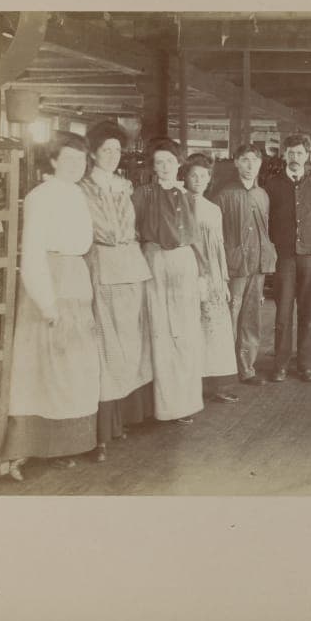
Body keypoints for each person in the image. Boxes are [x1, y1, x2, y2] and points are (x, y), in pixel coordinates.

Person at [3, 131, 101, 481]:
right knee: (41, 369)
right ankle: (24, 450)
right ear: (54, 160)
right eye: (68, 158)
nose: (76, 165)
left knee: (72, 368)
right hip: (49, 283)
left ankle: (62, 447)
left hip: (76, 280)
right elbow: (32, 252)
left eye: (81, 159)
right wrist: (46, 303)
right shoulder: (39, 197)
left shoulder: (77, 194)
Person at [78, 121, 154, 463]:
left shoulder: (125, 186)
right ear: (93, 153)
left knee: (130, 343)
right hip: (102, 267)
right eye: (106, 149)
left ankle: (125, 419)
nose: (112, 155)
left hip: (131, 269)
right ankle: (101, 432)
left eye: (117, 150)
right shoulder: (82, 188)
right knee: (106, 345)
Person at [132, 138, 208, 423]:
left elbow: (195, 238)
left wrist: (203, 274)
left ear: (179, 164)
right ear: (153, 166)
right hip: (155, 263)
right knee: (160, 333)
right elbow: (133, 231)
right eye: (159, 162)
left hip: (184, 264)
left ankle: (185, 404)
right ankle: (162, 407)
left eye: (170, 161)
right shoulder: (143, 194)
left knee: (185, 334)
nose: (164, 167)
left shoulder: (188, 196)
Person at [265, 132, 311, 383]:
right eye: (291, 153)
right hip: (284, 257)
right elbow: (268, 221)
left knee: (309, 313)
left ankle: (305, 364)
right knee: (283, 314)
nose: (295, 157)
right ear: (284, 155)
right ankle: (280, 365)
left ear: (307, 156)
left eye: (300, 153)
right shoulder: (273, 184)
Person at [213, 143, 277, 387]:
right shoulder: (223, 195)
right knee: (230, 316)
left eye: (255, 160)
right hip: (234, 266)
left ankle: (247, 368)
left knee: (251, 318)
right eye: (245, 160)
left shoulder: (263, 195)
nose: (250, 165)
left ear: (260, 164)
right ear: (236, 163)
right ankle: (224, 371)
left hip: (257, 266)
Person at [184, 153, 240, 403]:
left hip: (214, 274)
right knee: (193, 329)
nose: (198, 180)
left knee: (215, 329)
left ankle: (218, 385)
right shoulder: (180, 203)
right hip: (190, 271)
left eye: (203, 176)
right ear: (186, 177)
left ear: (209, 179)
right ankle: (191, 384)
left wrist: (223, 280)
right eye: (193, 175)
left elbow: (218, 246)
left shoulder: (214, 209)